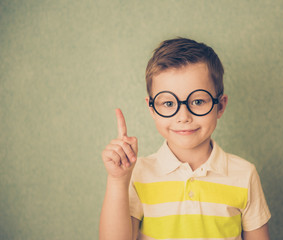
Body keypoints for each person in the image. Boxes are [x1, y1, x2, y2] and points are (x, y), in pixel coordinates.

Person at [99, 37, 271, 240]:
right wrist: (118, 180)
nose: (183, 117)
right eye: (169, 104)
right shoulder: (136, 174)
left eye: (198, 101)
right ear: (152, 108)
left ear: (220, 106)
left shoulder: (245, 174)